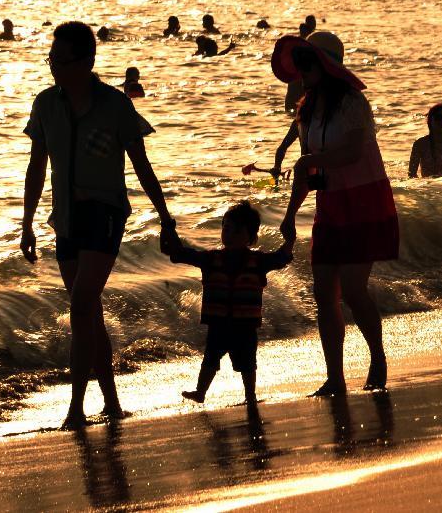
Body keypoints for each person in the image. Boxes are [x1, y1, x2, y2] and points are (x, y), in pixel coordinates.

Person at [20, 22, 176, 429]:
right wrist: (27, 223)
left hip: (104, 213)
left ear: (86, 61)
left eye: (60, 60)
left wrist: (165, 217)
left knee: (82, 305)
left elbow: (142, 165)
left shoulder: (115, 106)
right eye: (50, 59)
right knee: (90, 312)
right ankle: (112, 402)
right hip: (66, 219)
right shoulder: (45, 105)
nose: (53, 67)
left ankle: (75, 408)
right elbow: (36, 166)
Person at [274, 32, 399, 396]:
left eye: (308, 64)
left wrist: (313, 159)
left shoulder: (353, 103)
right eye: (299, 64)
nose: (302, 71)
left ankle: (377, 358)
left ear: (327, 66)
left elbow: (354, 152)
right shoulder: (306, 110)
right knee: (323, 292)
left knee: (354, 290)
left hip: (365, 200)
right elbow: (306, 170)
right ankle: (335, 378)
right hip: (330, 204)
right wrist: (289, 214)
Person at [162, 201, 293, 405]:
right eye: (226, 228)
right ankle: (200, 391)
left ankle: (250, 395)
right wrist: (168, 229)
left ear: (251, 237)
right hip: (218, 325)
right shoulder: (210, 259)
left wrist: (290, 239)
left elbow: (281, 258)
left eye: (237, 231)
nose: (229, 234)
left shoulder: (257, 261)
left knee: (248, 363)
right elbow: (181, 254)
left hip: (245, 326)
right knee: (210, 360)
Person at [408, 104, 442, 178]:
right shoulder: (420, 144)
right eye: (438, 117)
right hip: (430, 187)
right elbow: (411, 175)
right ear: (430, 120)